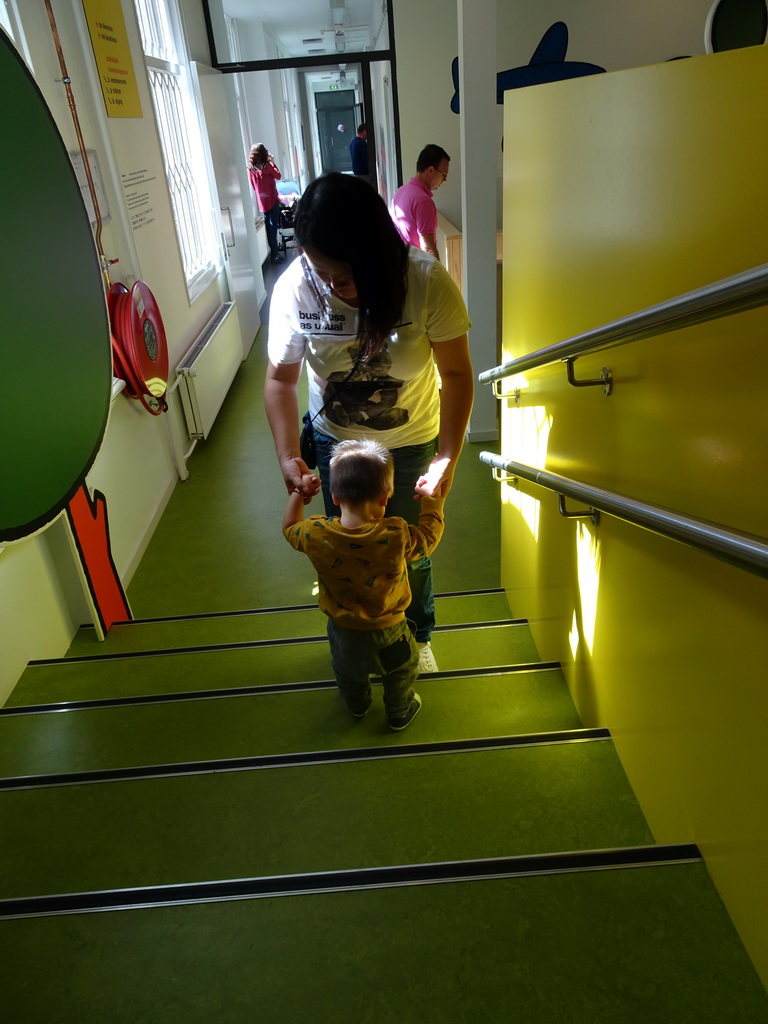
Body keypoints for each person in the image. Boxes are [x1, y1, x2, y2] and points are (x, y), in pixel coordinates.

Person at [264, 172, 473, 674]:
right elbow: (280, 382)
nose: (339, 287)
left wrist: (446, 457)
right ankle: (359, 632)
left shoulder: (424, 283)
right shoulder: (297, 288)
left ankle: (417, 633)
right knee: (352, 552)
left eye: (350, 274)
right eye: (326, 274)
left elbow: (458, 373)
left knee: (409, 553)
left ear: (379, 250)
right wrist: (290, 456)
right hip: (337, 444)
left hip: (407, 444)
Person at [283, 439, 446, 729]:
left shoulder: (315, 534)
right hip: (390, 631)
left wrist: (299, 493)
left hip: (344, 632)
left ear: (335, 496)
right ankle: (399, 712)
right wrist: (433, 500)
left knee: (348, 673)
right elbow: (427, 539)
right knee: (400, 673)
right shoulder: (396, 533)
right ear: (385, 498)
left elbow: (288, 529)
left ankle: (357, 705)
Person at [389, 144, 450, 261]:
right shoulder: (423, 201)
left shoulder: (400, 191)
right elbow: (428, 249)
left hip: (399, 263)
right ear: (431, 170)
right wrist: (439, 277)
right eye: (444, 175)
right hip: (416, 270)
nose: (445, 180)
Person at [247, 143, 285, 264]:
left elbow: (253, 186)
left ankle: (274, 253)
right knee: (273, 227)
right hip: (272, 199)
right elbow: (278, 176)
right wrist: (273, 162)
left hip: (261, 202)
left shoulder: (251, 169)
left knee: (269, 229)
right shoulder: (267, 166)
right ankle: (275, 255)